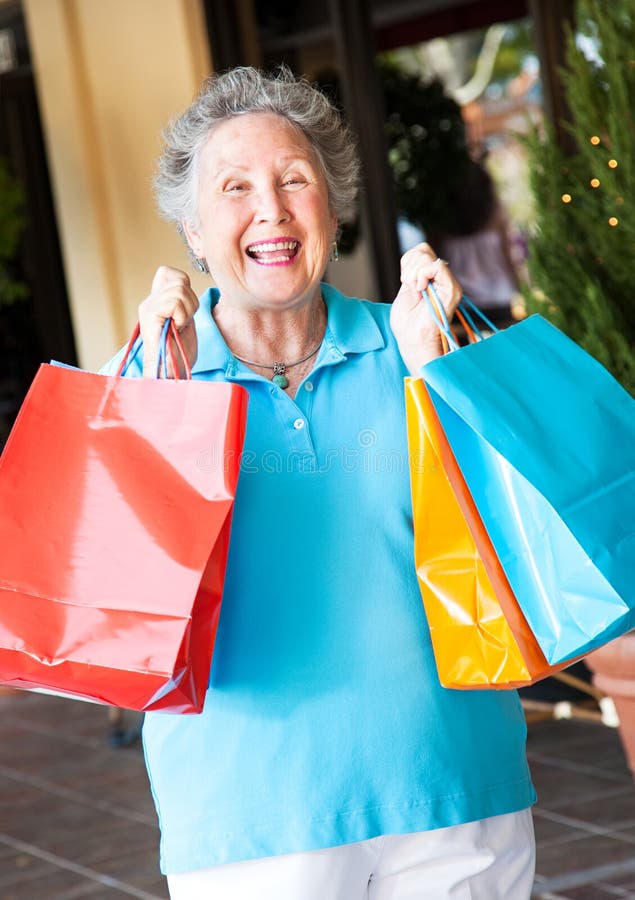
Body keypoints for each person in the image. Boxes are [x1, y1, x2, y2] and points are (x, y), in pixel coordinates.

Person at [105, 66, 536, 899]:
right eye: (234, 188)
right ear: (194, 233)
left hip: (454, 794)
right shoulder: (152, 387)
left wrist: (443, 375)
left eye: (293, 179)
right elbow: (116, 617)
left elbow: (521, 544)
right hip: (249, 821)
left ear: (332, 210)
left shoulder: (416, 344)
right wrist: (153, 411)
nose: (269, 208)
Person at [430, 157, 522, 328]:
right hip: (499, 296)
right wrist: (519, 288)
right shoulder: (494, 217)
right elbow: (507, 257)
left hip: (461, 302)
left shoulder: (441, 226)